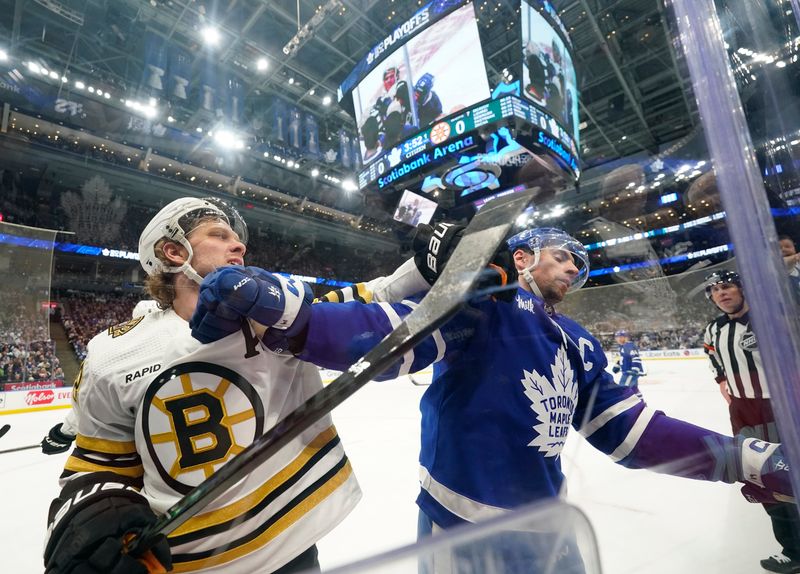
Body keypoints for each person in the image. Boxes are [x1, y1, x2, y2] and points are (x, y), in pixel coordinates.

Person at [191, 225, 794, 573]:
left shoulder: (578, 340)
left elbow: (632, 435)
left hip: (551, 531)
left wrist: (742, 457)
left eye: (582, 265)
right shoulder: (480, 310)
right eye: (563, 256)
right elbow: (382, 338)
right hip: (463, 536)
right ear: (522, 256)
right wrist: (288, 313)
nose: (575, 269)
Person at [43, 197, 360, 574]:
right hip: (187, 563)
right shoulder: (112, 354)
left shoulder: (277, 315)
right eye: (219, 234)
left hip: (294, 551)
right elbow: (98, 466)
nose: (239, 245)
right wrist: (93, 513)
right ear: (174, 251)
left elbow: (371, 298)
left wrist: (421, 269)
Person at [702, 269, 800, 573]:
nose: (721, 293)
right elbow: (713, 357)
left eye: (727, 286)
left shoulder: (771, 318)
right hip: (743, 412)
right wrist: (721, 379)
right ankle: (794, 551)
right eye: (715, 290)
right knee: (766, 478)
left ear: (743, 289)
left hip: (784, 406)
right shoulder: (713, 330)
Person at [41, 299, 161, 456]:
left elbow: (88, 398)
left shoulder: (109, 349)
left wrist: (65, 432)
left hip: (125, 449)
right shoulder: (180, 343)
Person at [612, 330, 644, 398]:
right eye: (617, 337)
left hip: (630, 373)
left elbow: (635, 358)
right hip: (626, 372)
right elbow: (624, 358)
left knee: (623, 389)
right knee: (633, 389)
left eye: (621, 337)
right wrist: (617, 365)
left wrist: (635, 369)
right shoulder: (622, 346)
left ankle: (629, 406)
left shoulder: (629, 345)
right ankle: (640, 404)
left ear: (626, 337)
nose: (618, 339)